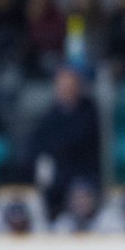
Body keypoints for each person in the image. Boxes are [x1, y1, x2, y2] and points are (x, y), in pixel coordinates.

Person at [27, 64, 101, 218]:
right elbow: (38, 144)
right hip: (58, 176)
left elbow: (77, 141)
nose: (65, 90)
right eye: (61, 86)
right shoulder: (50, 114)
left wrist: (56, 148)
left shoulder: (89, 111)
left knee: (80, 191)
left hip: (82, 173)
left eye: (69, 85)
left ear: (78, 87)